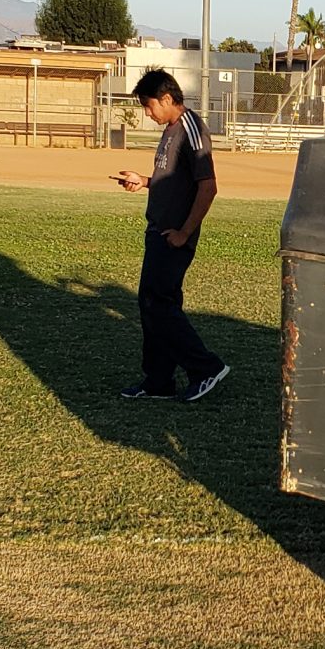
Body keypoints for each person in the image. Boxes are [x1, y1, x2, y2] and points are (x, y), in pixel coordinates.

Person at [111, 69, 229, 401]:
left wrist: (184, 232)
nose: (148, 114)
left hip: (173, 236)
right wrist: (145, 181)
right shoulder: (171, 130)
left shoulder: (191, 129)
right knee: (154, 305)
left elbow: (208, 186)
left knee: (158, 304)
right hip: (159, 231)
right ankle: (158, 381)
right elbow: (174, 179)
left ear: (166, 98)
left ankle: (205, 367)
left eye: (149, 107)